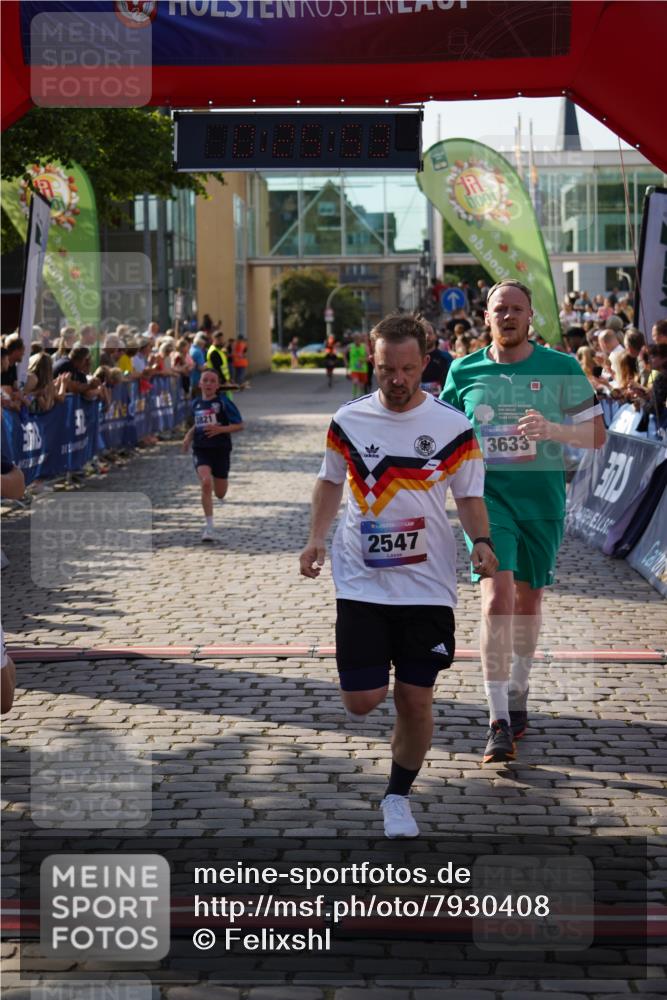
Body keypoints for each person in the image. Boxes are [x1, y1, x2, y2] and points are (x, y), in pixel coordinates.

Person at [299, 314, 496, 838]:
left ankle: (397, 796)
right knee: (362, 701)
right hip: (362, 579)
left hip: (428, 585)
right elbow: (328, 482)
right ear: (372, 361)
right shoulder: (349, 420)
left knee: (415, 698)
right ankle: (382, 692)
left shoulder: (453, 426)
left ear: (425, 363)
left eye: (408, 369)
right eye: (387, 369)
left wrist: (481, 542)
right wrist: (316, 537)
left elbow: (469, 495)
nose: (398, 379)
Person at [441, 280, 606, 764]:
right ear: (486, 317)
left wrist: (552, 428)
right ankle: (496, 720)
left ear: (530, 316)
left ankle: (518, 688)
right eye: (499, 310)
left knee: (529, 601)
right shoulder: (463, 370)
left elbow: (597, 435)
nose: (508, 316)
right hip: (488, 502)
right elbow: (446, 436)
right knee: (497, 597)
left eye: (517, 309)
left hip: (543, 501)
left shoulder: (560, 367)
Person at [182, 368, 244, 543]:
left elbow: (239, 425)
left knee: (220, 493)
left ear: (217, 385)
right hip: (201, 448)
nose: (208, 384)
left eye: (212, 381)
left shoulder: (223, 403)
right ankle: (208, 527)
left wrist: (220, 429)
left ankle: (220, 493)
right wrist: (188, 436)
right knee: (206, 482)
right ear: (200, 383)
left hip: (221, 449)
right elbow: (197, 424)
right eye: (205, 380)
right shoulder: (195, 404)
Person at [420, 319, 452, 396]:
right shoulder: (412, 358)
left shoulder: (445, 357)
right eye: (423, 333)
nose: (427, 336)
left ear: (435, 336)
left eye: (430, 333)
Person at [345, 333, 368, 399]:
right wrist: (346, 362)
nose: (357, 340)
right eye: (355, 339)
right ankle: (354, 397)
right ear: (354, 339)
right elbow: (344, 353)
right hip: (354, 368)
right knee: (355, 382)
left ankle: (361, 397)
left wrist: (363, 360)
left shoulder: (364, 346)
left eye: (358, 339)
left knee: (362, 385)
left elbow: (368, 356)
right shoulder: (350, 346)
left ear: (360, 339)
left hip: (363, 368)